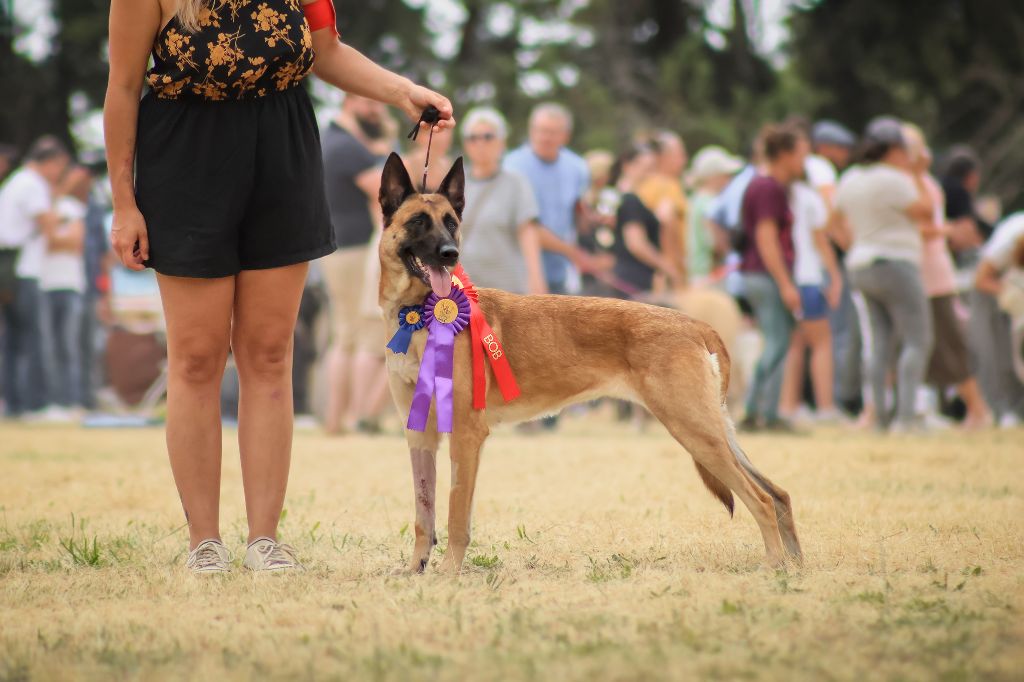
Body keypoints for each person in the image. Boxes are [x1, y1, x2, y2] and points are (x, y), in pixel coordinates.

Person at [105, 0, 454, 573]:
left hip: (284, 153)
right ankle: (205, 543)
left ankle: (264, 540)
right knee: (196, 358)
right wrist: (125, 201)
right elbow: (121, 87)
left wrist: (402, 91)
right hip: (185, 157)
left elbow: (328, 51)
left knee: (270, 353)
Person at [835, 117, 935, 433]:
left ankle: (878, 416)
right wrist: (918, 174)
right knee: (917, 339)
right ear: (893, 150)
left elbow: (831, 219)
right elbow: (927, 211)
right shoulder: (895, 179)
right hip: (896, 263)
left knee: (879, 343)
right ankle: (906, 418)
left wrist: (854, 244)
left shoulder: (851, 178)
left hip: (861, 264)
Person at [902, 124, 990, 429]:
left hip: (934, 274)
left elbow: (923, 222)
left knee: (950, 342)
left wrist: (947, 230)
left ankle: (977, 409)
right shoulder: (917, 183)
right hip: (922, 271)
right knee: (927, 345)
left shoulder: (922, 184)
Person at [319, 94, 394, 435]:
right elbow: (387, 194)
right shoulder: (348, 147)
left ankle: (337, 421)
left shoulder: (332, 139)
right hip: (353, 251)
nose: (377, 109)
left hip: (337, 247)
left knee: (344, 335)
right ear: (350, 101)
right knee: (359, 335)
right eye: (371, 103)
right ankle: (352, 418)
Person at [737, 124, 809, 431]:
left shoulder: (763, 185)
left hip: (760, 274)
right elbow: (767, 239)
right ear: (784, 154)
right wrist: (785, 283)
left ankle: (764, 410)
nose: (804, 162)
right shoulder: (768, 188)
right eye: (801, 154)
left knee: (777, 342)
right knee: (777, 342)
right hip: (765, 275)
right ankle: (756, 409)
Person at [0, 136, 69, 418]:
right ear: (51, 163)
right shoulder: (34, 185)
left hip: (8, 270)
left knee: (13, 341)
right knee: (34, 339)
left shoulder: (15, 181)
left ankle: (14, 403)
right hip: (25, 271)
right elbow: (49, 227)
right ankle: (37, 404)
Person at [504, 103, 592, 294]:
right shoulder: (511, 166)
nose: (545, 137)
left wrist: (594, 219)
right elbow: (526, 224)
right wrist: (571, 251)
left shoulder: (578, 167)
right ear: (531, 130)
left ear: (566, 136)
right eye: (541, 130)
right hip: (520, 273)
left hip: (561, 273)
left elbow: (577, 213)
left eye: (553, 132)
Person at [457, 107, 545, 295]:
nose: (480, 143)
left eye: (488, 137)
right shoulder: (455, 184)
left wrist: (536, 278)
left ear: (501, 142)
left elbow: (528, 232)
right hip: (464, 288)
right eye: (473, 138)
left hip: (506, 290)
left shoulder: (516, 183)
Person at [777, 174, 843, 424]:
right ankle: (826, 407)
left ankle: (788, 405)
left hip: (787, 276)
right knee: (821, 342)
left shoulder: (779, 193)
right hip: (809, 276)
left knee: (794, 343)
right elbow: (820, 239)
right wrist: (835, 276)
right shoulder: (808, 197)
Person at [40, 166, 93, 419]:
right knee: (48, 345)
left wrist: (52, 235)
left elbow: (73, 242)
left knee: (69, 345)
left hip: (70, 283)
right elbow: (50, 240)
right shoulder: (46, 209)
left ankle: (72, 400)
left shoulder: (71, 209)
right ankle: (53, 401)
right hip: (45, 283)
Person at [972, 211, 1024, 427]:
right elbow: (981, 279)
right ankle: (1005, 411)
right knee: (1000, 352)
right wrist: (1012, 293)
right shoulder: (1012, 241)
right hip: (994, 289)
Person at [610, 144, 681, 298]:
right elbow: (636, 243)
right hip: (635, 279)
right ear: (628, 166)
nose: (651, 173)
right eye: (647, 167)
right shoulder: (630, 200)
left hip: (629, 276)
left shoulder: (619, 198)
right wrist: (667, 267)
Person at [686, 146, 744, 285]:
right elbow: (715, 243)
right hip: (709, 276)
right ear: (714, 177)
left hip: (698, 274)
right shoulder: (710, 203)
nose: (729, 179)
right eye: (726, 174)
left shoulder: (696, 199)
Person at [637, 130, 688, 283]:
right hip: (669, 271)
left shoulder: (644, 184)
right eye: (680, 155)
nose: (684, 160)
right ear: (664, 157)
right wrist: (673, 267)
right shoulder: (664, 186)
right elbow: (666, 222)